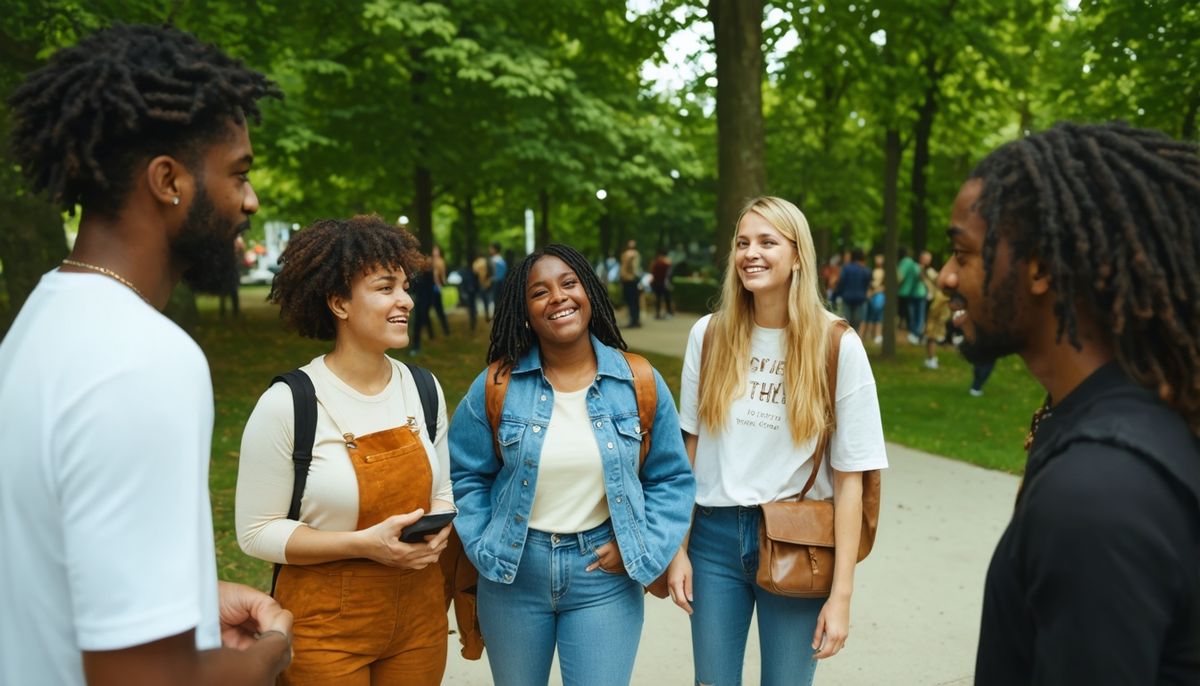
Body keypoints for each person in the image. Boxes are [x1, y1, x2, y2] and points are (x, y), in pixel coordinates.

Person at [0, 24, 292, 686]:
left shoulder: (43, 321)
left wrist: (183, 598)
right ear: (168, 180)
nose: (251, 200)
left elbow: (47, 561)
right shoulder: (143, 359)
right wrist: (271, 655)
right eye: (238, 173)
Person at [937, 122, 1200, 684]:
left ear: (1042, 267)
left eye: (965, 252)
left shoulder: (1099, 490)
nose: (946, 276)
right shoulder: (1126, 415)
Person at [448, 243, 696, 685]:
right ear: (524, 311)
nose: (558, 298)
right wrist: (485, 542)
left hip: (602, 576)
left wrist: (641, 546)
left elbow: (671, 478)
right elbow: (463, 473)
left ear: (589, 294)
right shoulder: (497, 385)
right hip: (514, 576)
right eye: (539, 292)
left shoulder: (636, 380)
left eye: (569, 284)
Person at [667, 197, 888, 686]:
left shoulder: (837, 344)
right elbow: (690, 450)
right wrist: (677, 548)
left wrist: (842, 596)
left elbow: (852, 481)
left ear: (797, 255)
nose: (752, 253)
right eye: (743, 243)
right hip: (713, 540)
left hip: (797, 542)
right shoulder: (709, 335)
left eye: (768, 242)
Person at [237, 215, 454, 685]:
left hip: (419, 620)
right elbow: (255, 532)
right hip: (324, 632)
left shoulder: (424, 388)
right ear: (339, 303)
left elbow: (445, 489)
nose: (406, 301)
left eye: (405, 286)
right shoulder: (290, 403)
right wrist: (362, 546)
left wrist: (439, 522)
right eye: (385, 288)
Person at [921, 251, 950, 370]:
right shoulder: (927, 272)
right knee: (931, 335)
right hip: (933, 306)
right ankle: (931, 358)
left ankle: (932, 359)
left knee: (931, 335)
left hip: (935, 308)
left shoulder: (931, 273)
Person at [832, 247, 871, 332]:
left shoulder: (846, 268)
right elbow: (867, 284)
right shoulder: (865, 270)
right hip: (860, 299)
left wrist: (835, 296)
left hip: (847, 298)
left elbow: (841, 283)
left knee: (847, 323)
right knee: (856, 323)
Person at [897, 247, 926, 344]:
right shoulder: (915, 264)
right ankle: (917, 335)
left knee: (912, 315)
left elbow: (900, 277)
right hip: (920, 292)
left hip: (909, 293)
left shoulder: (905, 262)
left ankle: (914, 334)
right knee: (919, 316)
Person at [619, 238, 643, 328]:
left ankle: (634, 320)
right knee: (635, 301)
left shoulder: (627, 254)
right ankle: (636, 319)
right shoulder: (637, 254)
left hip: (628, 280)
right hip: (634, 280)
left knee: (631, 301)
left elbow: (627, 268)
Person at [863, 254, 886, 344]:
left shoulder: (884, 272)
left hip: (879, 294)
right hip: (872, 295)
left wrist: (875, 291)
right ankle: (870, 334)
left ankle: (877, 334)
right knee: (870, 315)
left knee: (878, 314)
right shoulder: (871, 271)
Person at [430, 244, 451, 335]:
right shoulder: (431, 261)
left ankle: (446, 330)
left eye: (436, 250)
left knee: (439, 310)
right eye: (434, 250)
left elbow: (442, 275)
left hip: (436, 288)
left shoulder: (440, 261)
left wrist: (440, 284)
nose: (435, 252)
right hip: (430, 288)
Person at [651, 246, 675, 319]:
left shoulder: (655, 262)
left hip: (657, 282)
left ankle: (658, 313)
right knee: (667, 298)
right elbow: (670, 274)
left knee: (658, 299)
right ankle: (669, 313)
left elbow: (653, 272)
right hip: (665, 283)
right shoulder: (668, 262)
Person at [488, 241, 507, 318]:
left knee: (495, 300)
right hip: (501, 282)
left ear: (495, 249)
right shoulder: (501, 260)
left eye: (491, 248)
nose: (489, 250)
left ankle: (496, 316)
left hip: (496, 283)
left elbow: (497, 274)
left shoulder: (494, 260)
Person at [473, 251, 494, 321]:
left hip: (480, 282)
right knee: (487, 298)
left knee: (484, 298)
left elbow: (474, 272)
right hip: (487, 281)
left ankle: (485, 312)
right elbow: (491, 271)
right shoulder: (486, 261)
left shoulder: (476, 263)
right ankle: (487, 312)